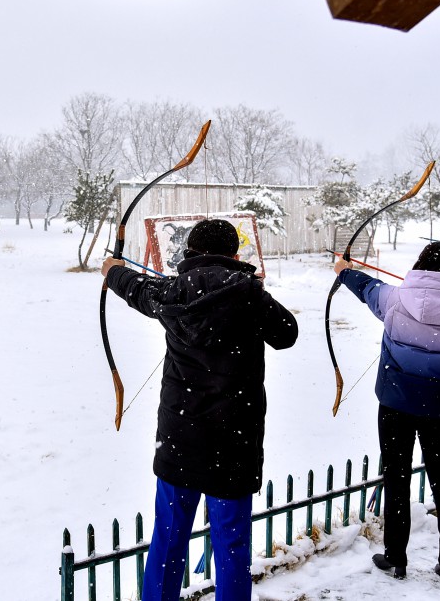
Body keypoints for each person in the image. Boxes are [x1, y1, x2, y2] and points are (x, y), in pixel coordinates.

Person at [101, 218, 298, 601]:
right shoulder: (248, 295)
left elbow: (134, 287)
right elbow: (286, 332)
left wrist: (113, 270)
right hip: (234, 438)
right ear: (235, 255)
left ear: (189, 252)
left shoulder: (172, 291)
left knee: (169, 538)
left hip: (181, 438)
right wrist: (256, 295)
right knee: (232, 545)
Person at [333, 242, 440, 588]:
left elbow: (367, 288)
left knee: (397, 478)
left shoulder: (394, 300)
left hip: (395, 405)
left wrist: (344, 271)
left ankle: (396, 557)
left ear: (420, 266)